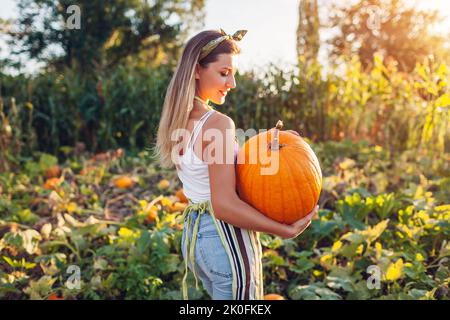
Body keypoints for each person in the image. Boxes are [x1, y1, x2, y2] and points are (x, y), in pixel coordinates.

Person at [155, 29, 318, 300]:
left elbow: (219, 172)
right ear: (197, 70)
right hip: (225, 241)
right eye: (224, 73)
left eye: (233, 74)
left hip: (195, 239)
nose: (232, 83)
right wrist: (283, 230)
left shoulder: (178, 120)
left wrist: (281, 144)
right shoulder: (218, 123)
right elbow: (224, 205)